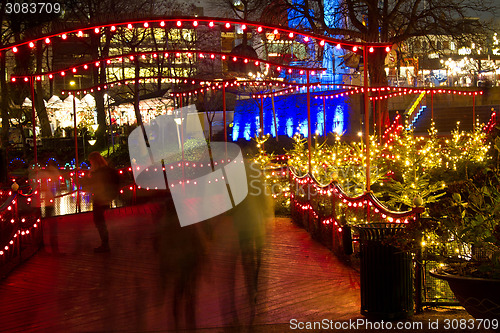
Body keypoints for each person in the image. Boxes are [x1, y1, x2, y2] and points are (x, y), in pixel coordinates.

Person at [84, 152, 120, 253]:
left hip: (100, 198)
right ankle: (105, 243)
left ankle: (105, 244)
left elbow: (94, 183)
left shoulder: (99, 172)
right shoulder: (107, 170)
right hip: (104, 197)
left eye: (91, 161)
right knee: (100, 221)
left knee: (99, 221)